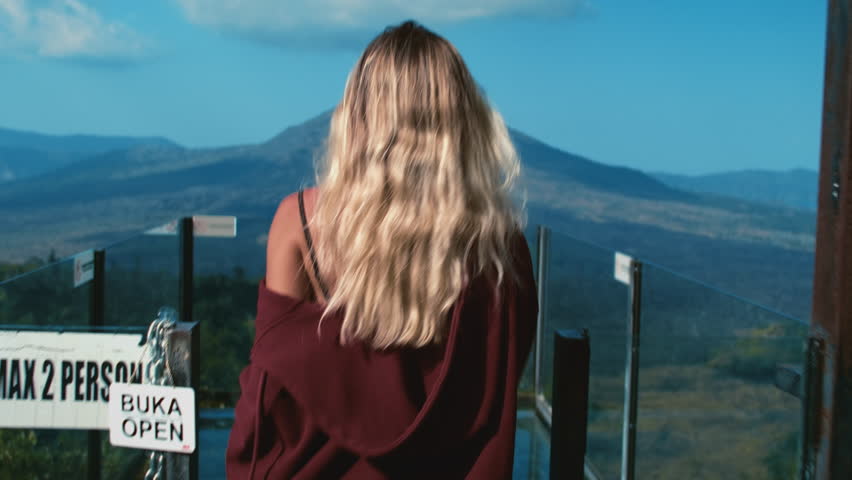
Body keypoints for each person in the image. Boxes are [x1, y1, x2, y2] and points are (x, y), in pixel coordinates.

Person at [226, 20, 538, 479]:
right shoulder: (499, 244)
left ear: (358, 114)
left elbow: (270, 395)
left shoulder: (299, 222)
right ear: (462, 119)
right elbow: (499, 385)